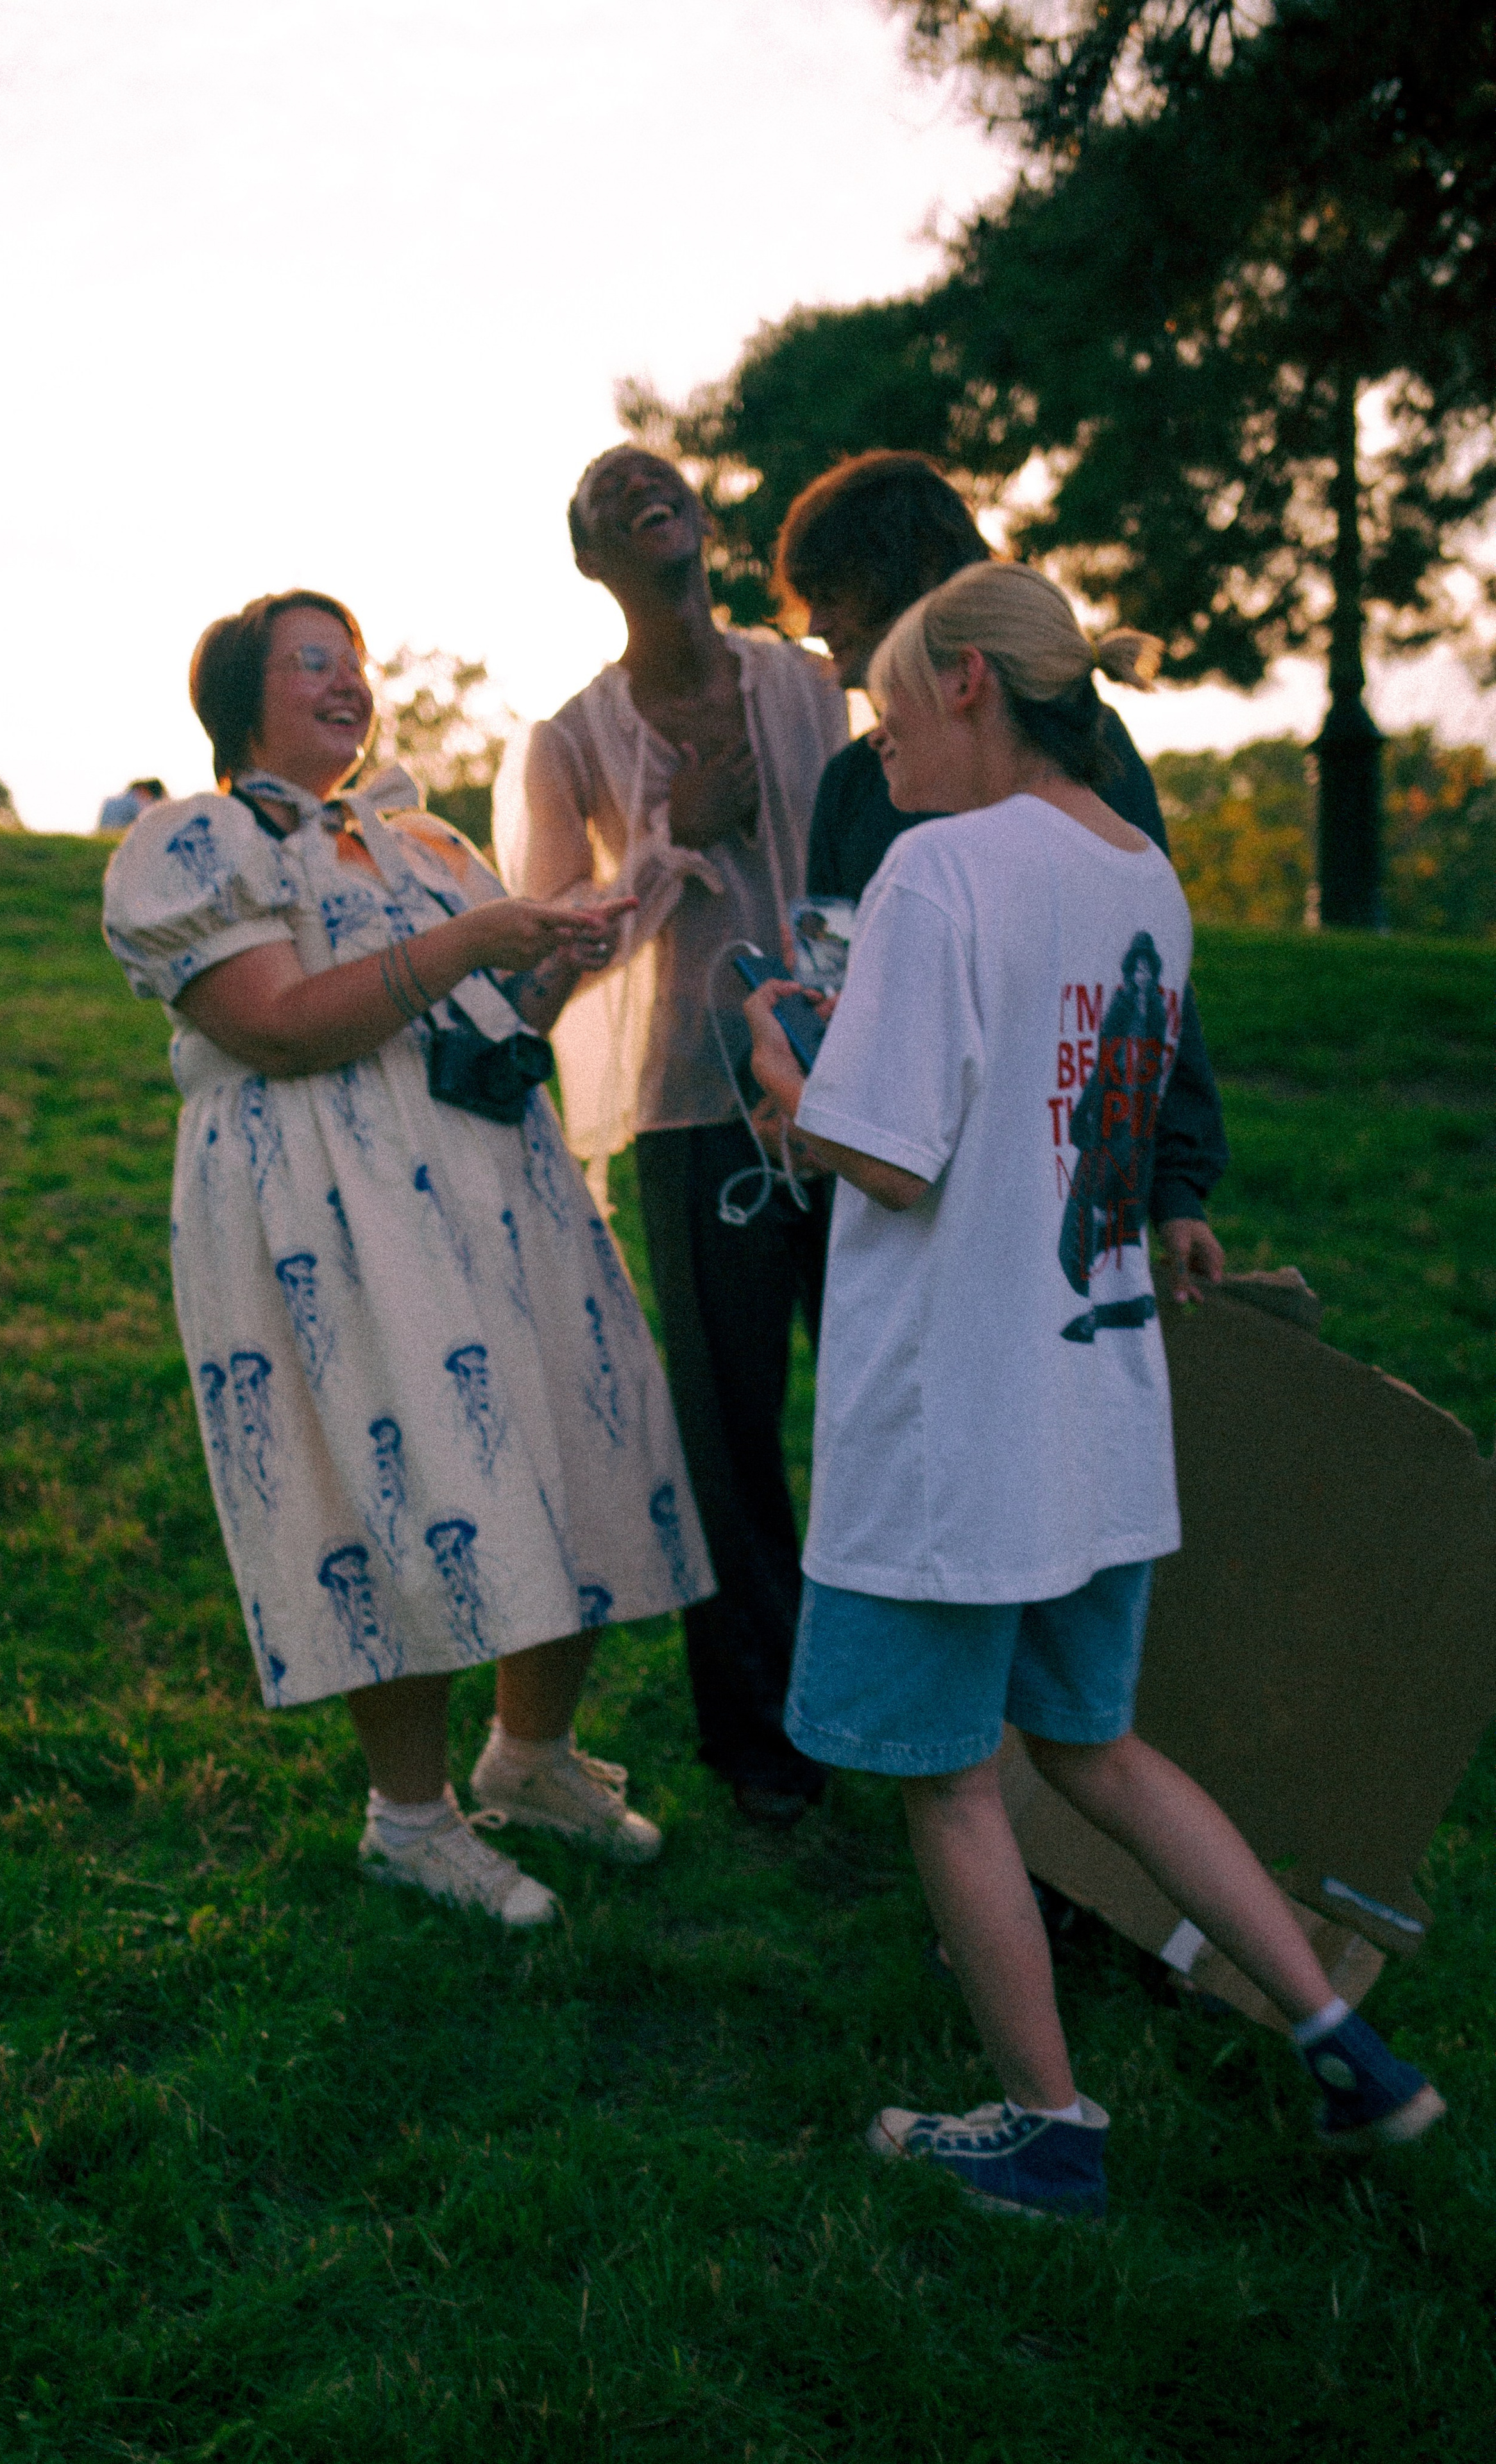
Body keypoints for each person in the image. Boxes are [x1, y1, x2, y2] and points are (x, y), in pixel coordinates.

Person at [742, 561, 1445, 2220]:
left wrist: (788, 1083)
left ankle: (1048, 2126)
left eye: (894, 708)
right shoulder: (1147, 873)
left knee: (951, 1777)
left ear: (973, 685)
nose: (881, 744)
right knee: (1103, 1746)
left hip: (954, 1418)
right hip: (1091, 1397)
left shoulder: (936, 871)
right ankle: (1348, 2043)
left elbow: (891, 1158)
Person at [101, 588, 714, 1926]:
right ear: (237, 700)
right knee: (392, 1475)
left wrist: (579, 937)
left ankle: (532, 1758)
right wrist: (475, 941)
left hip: (490, 1178)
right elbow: (275, 1026)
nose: (347, 683)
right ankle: (410, 1818)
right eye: (310, 662)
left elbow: (494, 1016)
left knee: (565, 1437)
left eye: (356, 662)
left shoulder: (424, 839)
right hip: (323, 1200)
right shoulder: (193, 839)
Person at [494, 447, 849, 1826]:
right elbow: (539, 958)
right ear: (592, 563)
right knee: (728, 1431)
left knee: (891, 1405)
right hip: (697, 1121)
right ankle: (761, 1740)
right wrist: (666, 843)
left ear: (699, 521)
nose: (639, 489)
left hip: (858, 1096)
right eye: (604, 500)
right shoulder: (570, 740)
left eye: (659, 481)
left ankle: (917, 1703)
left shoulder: (808, 686)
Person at [773, 451, 1228, 1294]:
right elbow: (833, 992)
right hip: (906, 1217)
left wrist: (1177, 1188)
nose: (819, 636)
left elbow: (1148, 987)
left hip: (1053, 1206)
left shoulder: (1087, 756)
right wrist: (804, 1082)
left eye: (831, 595)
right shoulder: (849, 789)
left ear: (905, 576)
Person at [96, 776, 168, 833]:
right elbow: (149, 822)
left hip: (103, 834)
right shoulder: (135, 801)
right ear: (144, 789)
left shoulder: (111, 801)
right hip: (118, 838)